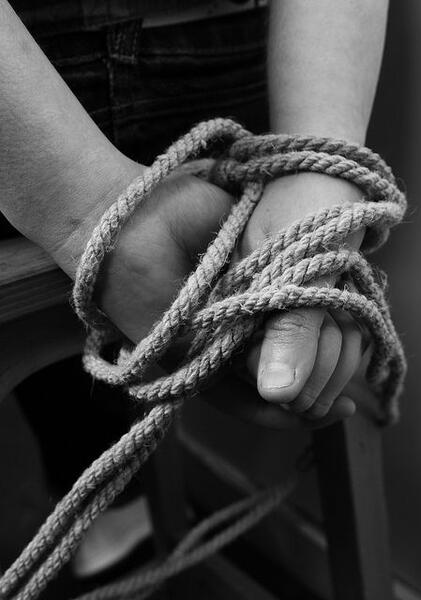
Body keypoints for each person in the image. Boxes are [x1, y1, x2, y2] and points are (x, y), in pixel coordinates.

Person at [0, 0, 388, 583]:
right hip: (239, 67)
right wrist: (322, 152)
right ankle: (111, 503)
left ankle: (110, 505)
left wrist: (317, 168)